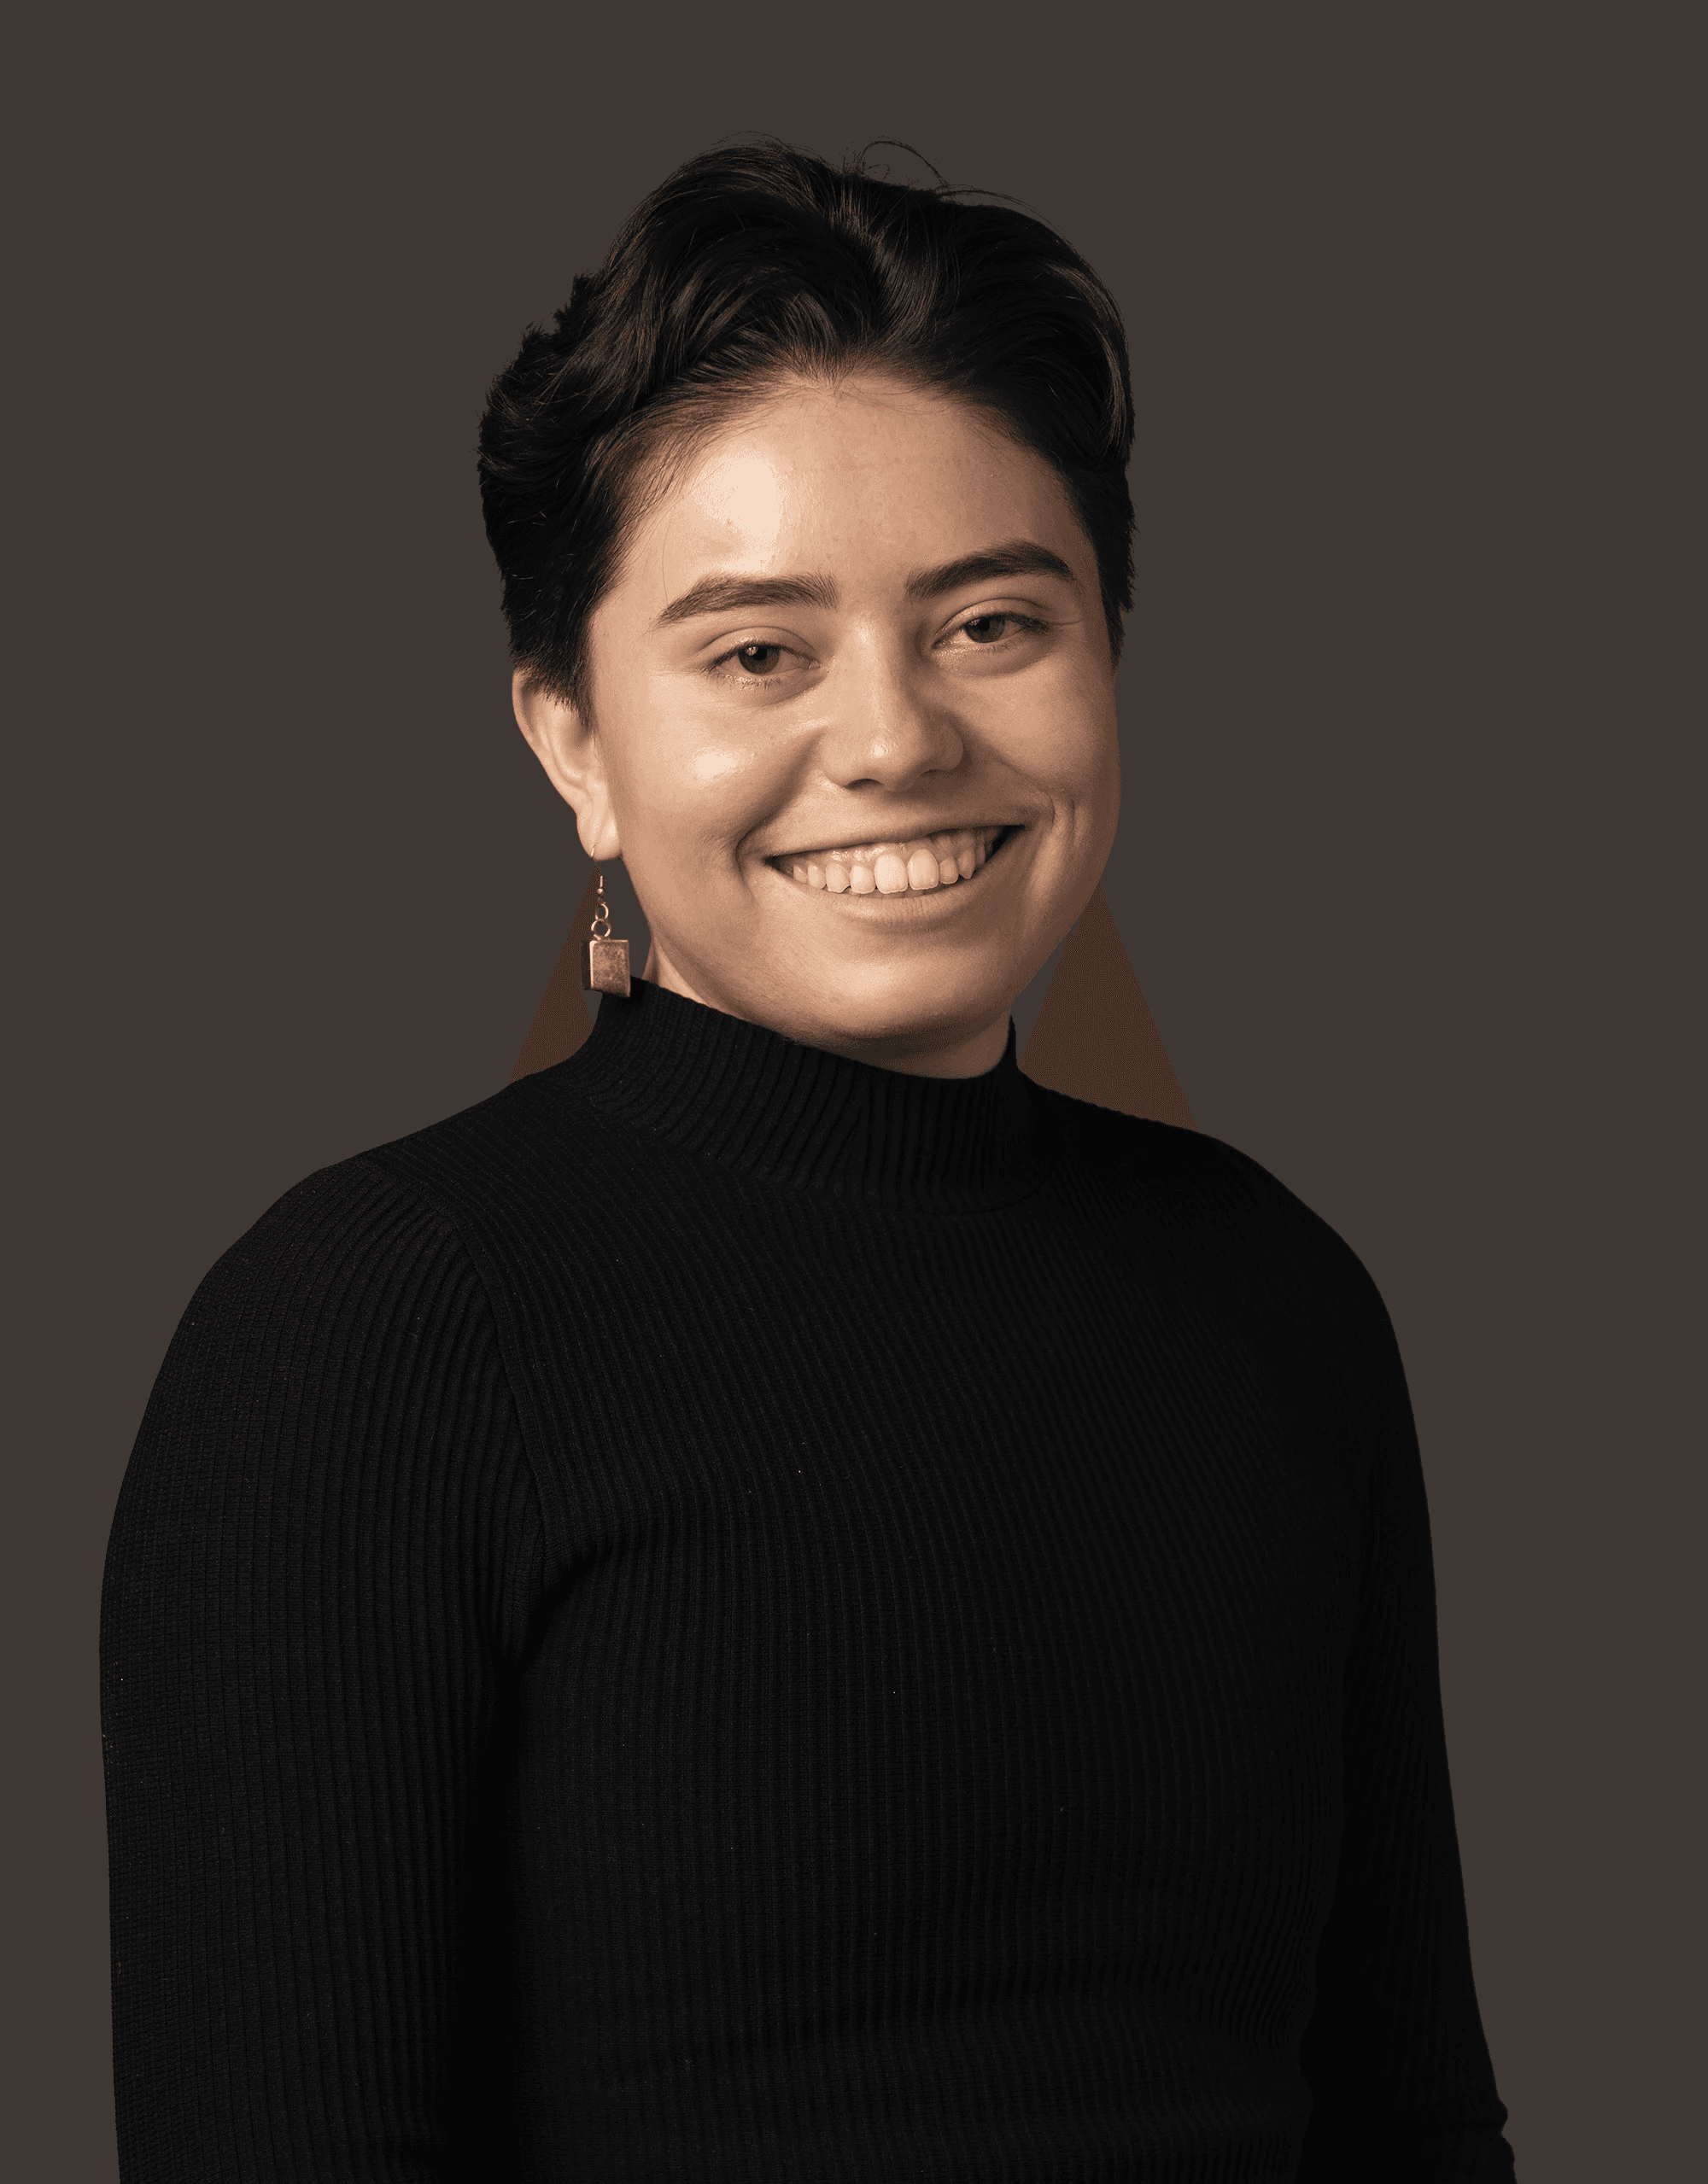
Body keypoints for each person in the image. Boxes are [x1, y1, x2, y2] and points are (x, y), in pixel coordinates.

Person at [100, 138, 1516, 2181]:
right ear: (572, 740)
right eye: (758, 650)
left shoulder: (1280, 1296)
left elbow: (1412, 2118)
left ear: (1107, 660)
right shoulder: (369, 1330)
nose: (896, 739)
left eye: (992, 624)